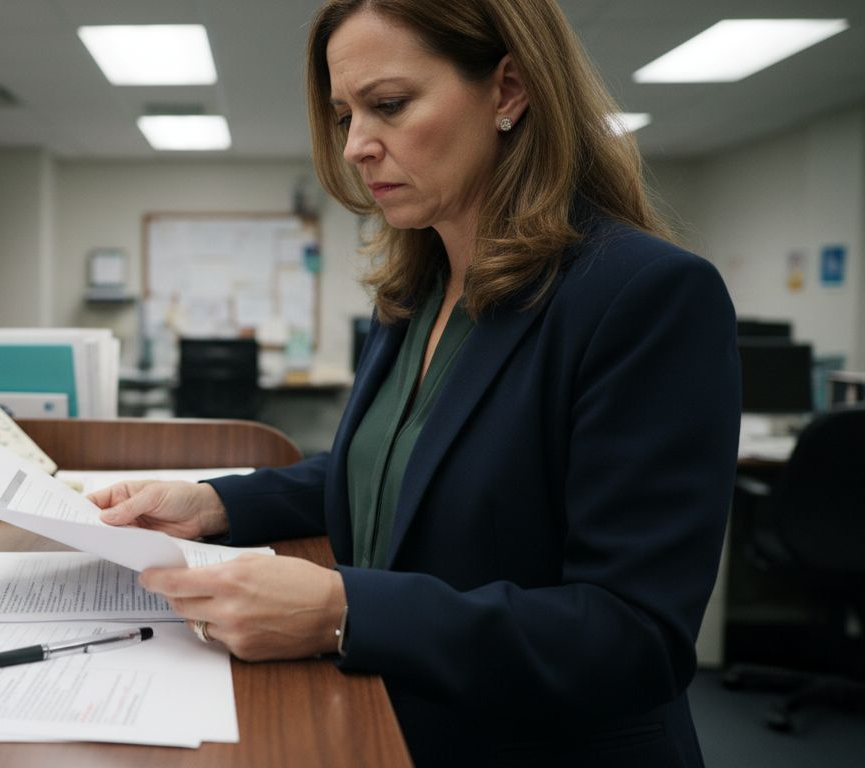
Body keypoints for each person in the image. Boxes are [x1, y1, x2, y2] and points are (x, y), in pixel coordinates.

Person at [90, 1, 740, 765]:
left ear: (508, 90)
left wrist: (344, 610)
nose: (356, 146)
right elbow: (397, 469)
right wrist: (216, 502)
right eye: (345, 116)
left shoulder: (646, 295)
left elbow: (632, 636)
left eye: (391, 105)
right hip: (395, 720)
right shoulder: (419, 289)